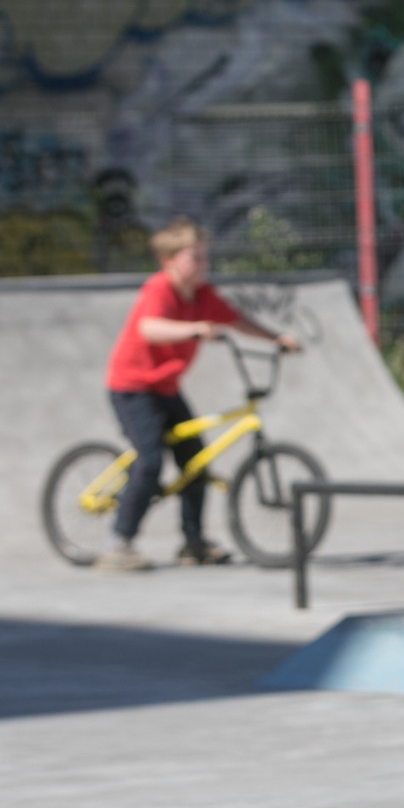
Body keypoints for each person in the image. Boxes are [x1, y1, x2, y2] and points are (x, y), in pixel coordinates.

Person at [97, 217, 302, 572]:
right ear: (169, 261)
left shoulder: (203, 296)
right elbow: (149, 328)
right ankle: (118, 543)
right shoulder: (159, 289)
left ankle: (193, 543)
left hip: (166, 388)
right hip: (132, 387)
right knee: (149, 461)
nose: (204, 266)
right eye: (195, 258)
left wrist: (275, 338)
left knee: (195, 463)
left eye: (205, 258)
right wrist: (192, 329)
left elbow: (236, 320)